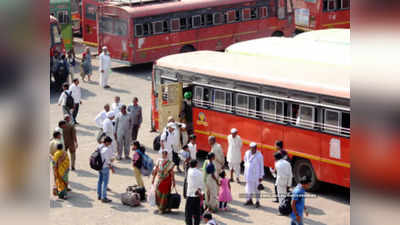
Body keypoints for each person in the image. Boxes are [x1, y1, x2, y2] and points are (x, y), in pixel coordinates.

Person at [152, 149, 176, 214]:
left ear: (167, 155)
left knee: (165, 195)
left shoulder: (170, 163)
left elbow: (172, 173)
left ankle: (162, 208)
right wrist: (153, 178)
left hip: (167, 181)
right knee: (158, 193)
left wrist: (174, 181)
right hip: (159, 180)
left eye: (165, 154)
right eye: (163, 154)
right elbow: (156, 170)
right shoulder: (159, 161)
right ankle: (160, 207)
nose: (163, 155)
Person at [243, 142, 264, 208]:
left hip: (256, 176)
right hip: (248, 174)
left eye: (253, 148)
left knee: (256, 189)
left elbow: (261, 166)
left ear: (256, 148)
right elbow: (245, 161)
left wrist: (261, 176)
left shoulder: (259, 155)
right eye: (251, 148)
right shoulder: (247, 153)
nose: (252, 150)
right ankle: (249, 200)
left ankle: (257, 201)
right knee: (248, 188)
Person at [185, 159, 204, 225]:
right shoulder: (200, 172)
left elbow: (188, 182)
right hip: (197, 194)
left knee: (188, 213)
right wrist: (199, 190)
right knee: (197, 212)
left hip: (190, 194)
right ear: (196, 164)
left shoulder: (189, 171)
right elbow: (202, 184)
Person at [97, 136, 115, 203]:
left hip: (99, 166)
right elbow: (107, 161)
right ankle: (103, 197)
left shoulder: (99, 146)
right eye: (109, 143)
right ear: (107, 142)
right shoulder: (106, 149)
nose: (110, 144)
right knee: (105, 183)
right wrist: (112, 168)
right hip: (105, 167)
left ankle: (99, 195)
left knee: (100, 181)